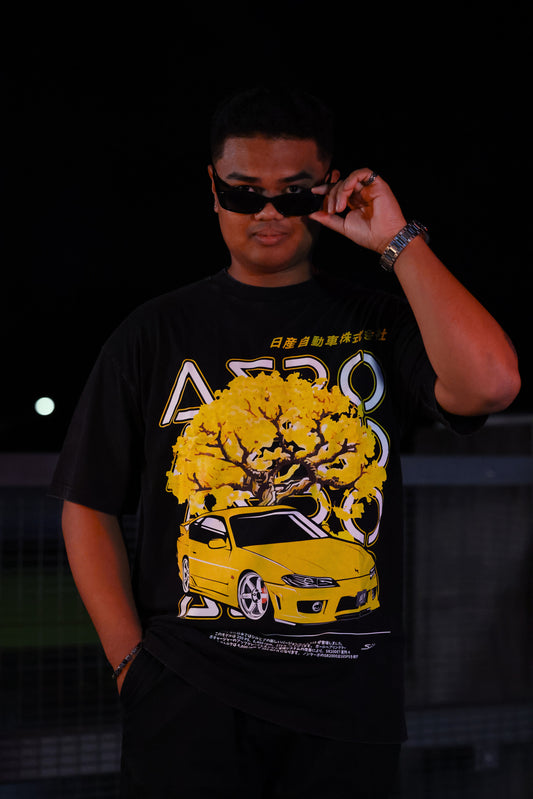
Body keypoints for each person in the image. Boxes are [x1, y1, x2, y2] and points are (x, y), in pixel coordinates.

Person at [50, 87, 520, 798]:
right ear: (213, 189)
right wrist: (130, 666)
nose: (267, 212)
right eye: (244, 193)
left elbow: (490, 383)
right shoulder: (153, 333)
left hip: (348, 706)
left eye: (293, 194)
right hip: (188, 700)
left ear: (327, 190)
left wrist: (397, 241)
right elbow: (86, 503)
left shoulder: (377, 323)